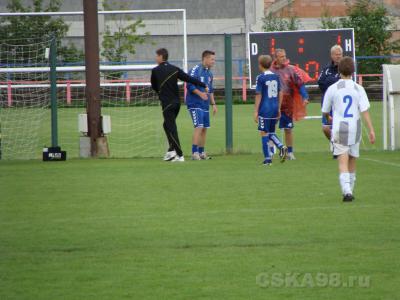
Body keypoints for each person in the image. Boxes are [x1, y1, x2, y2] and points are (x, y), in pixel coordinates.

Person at [322, 56, 375, 202]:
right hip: (355, 127)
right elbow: (364, 111)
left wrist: (328, 118)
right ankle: (350, 189)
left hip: (341, 127)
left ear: (339, 69)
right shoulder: (358, 88)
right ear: (353, 70)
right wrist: (371, 130)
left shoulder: (333, 88)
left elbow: (325, 110)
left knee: (342, 161)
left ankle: (347, 191)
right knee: (352, 159)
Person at [151, 48, 207, 162]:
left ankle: (179, 155)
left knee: (171, 128)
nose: (155, 58)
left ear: (161, 56)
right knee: (166, 125)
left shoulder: (155, 70)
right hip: (177, 104)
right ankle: (171, 151)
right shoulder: (175, 69)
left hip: (167, 104)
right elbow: (189, 78)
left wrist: (160, 94)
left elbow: (154, 86)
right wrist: (202, 84)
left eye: (156, 56)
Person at [271, 49, 309, 160]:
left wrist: (305, 96)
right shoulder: (270, 71)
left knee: (288, 129)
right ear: (276, 58)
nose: (284, 58)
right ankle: (270, 151)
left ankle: (290, 152)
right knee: (270, 129)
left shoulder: (291, 70)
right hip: (273, 105)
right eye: (281, 56)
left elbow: (300, 84)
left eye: (284, 56)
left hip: (287, 105)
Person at [254, 55, 288, 166]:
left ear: (260, 65)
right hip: (274, 108)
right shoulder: (276, 76)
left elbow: (258, 94)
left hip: (265, 109)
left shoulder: (260, 77)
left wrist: (256, 111)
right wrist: (278, 107)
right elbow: (280, 92)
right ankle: (282, 147)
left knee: (264, 133)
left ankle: (267, 159)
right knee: (271, 132)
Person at [186, 50, 217, 160]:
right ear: (206, 58)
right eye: (212, 59)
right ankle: (194, 153)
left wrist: (213, 104)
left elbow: (210, 89)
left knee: (204, 128)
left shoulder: (209, 73)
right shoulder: (195, 70)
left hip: (205, 105)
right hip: (194, 103)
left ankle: (201, 152)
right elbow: (189, 85)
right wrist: (200, 94)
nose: (214, 61)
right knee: (198, 126)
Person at [318, 45, 343, 140]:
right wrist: (333, 82)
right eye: (336, 54)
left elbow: (343, 83)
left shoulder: (345, 68)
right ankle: (334, 143)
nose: (338, 56)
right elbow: (320, 82)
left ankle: (339, 148)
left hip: (340, 102)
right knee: (326, 128)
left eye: (340, 54)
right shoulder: (327, 69)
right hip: (327, 102)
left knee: (340, 127)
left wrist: (330, 81)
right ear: (332, 55)